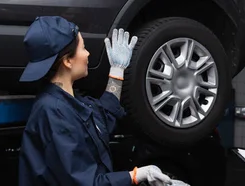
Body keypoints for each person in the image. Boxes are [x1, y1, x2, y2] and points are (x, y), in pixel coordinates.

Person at [16, 16, 180, 186]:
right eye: (83, 47)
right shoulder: (55, 113)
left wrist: (117, 71)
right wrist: (135, 176)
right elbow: (86, 183)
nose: (87, 54)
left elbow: (102, 119)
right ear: (67, 61)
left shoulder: (66, 101)